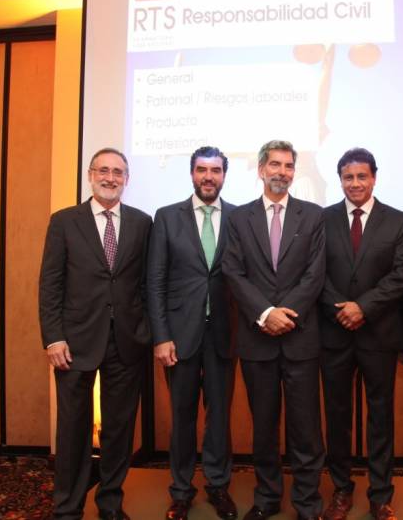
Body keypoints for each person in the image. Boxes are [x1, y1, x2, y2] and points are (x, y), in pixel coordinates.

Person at [39, 148, 152, 520]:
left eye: (118, 172)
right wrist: (53, 337)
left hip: (127, 342)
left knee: (119, 430)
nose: (110, 177)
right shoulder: (64, 222)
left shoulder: (142, 223)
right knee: (73, 429)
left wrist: (146, 330)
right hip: (74, 342)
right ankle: (68, 508)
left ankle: (110, 502)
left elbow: (146, 282)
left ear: (127, 179)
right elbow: (50, 284)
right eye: (103, 170)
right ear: (90, 175)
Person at [222, 140, 325, 520]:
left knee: (306, 428)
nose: (282, 172)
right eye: (275, 165)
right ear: (261, 169)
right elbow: (233, 271)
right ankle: (266, 499)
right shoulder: (239, 218)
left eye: (288, 166)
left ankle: (307, 503)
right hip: (257, 340)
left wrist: (287, 314)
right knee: (264, 427)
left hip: (301, 338)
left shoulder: (313, 216)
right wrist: (266, 313)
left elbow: (315, 273)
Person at [320, 148, 403, 520]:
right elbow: (313, 272)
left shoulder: (399, 221)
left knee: (380, 417)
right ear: (340, 180)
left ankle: (380, 494)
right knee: (337, 417)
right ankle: (341, 490)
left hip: (379, 334)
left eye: (362, 176)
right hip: (335, 334)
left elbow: (401, 275)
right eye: (348, 177)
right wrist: (341, 309)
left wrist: (363, 307)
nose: (355, 183)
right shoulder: (322, 219)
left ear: (374, 177)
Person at [147, 147, 237, 520]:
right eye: (202, 170)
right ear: (191, 174)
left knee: (220, 417)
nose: (208, 177)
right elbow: (155, 281)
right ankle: (181, 491)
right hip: (179, 336)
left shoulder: (239, 217)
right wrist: (161, 336)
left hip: (224, 335)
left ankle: (218, 486)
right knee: (182, 416)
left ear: (224, 175)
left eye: (215, 170)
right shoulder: (167, 217)